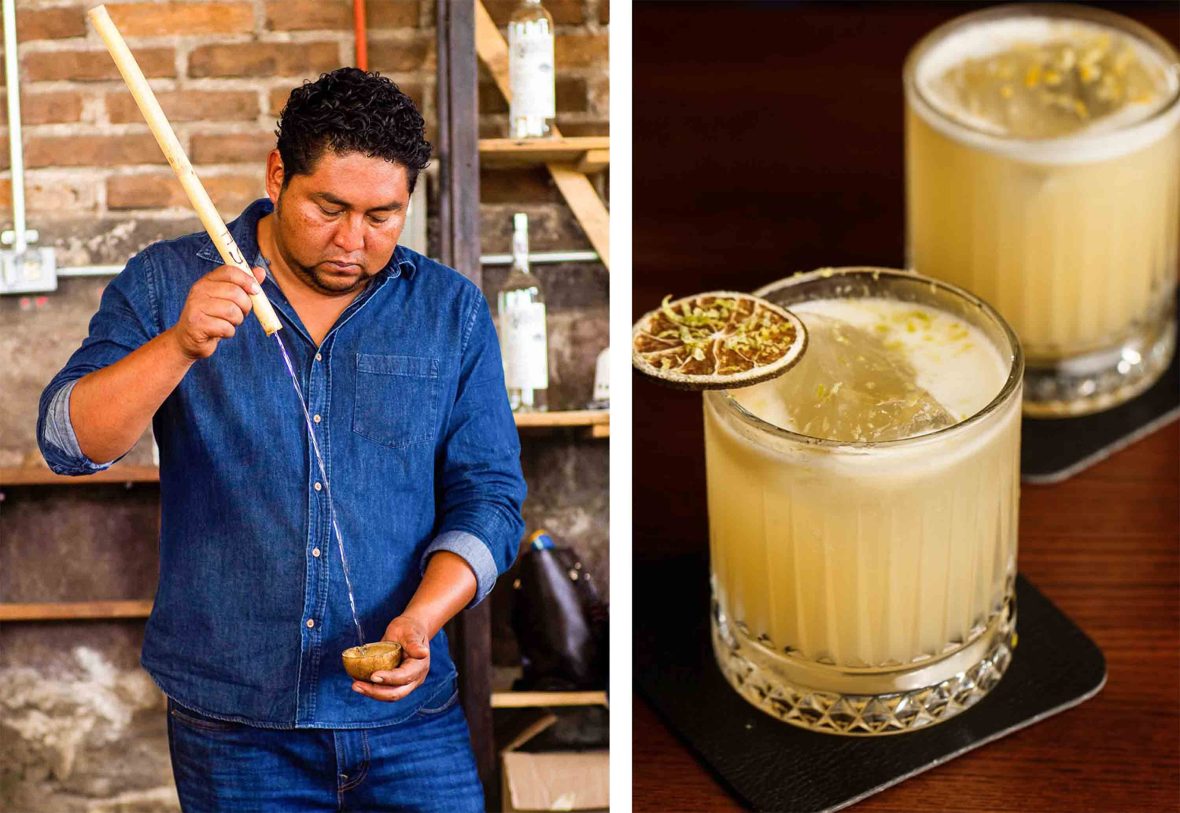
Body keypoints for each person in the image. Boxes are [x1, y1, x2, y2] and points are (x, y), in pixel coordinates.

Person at [36, 67, 524, 811]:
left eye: (382, 216)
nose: (353, 242)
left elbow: (490, 499)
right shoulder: (171, 282)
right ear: (277, 176)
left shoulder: (448, 310)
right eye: (329, 208)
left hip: (408, 724)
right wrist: (178, 346)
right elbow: (66, 439)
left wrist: (421, 620)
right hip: (235, 726)